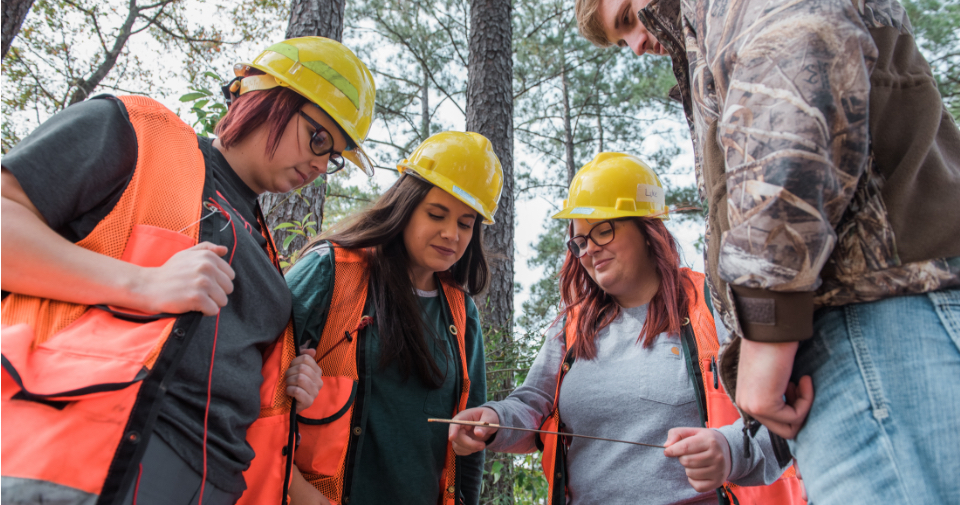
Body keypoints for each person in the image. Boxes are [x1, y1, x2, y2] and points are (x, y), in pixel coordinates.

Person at [574, 0, 960, 504]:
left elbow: (795, 102)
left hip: (871, 319)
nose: (635, 45)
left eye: (630, 16)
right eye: (620, 36)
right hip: (858, 325)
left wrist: (767, 330)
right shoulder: (722, 18)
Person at [1, 36, 378, 505]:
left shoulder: (262, 244)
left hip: (217, 483)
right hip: (83, 457)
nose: (321, 163)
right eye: (318, 137)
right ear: (263, 99)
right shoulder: (137, 133)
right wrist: (141, 284)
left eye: (333, 155)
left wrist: (287, 383)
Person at [448, 152, 804, 505]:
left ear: (648, 228)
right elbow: (531, 408)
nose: (589, 251)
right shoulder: (572, 327)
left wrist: (730, 451)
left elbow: (784, 415)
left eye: (604, 230)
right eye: (580, 242)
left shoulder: (714, 306)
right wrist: (494, 419)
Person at [283, 131, 502, 505]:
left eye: (466, 224)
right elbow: (250, 389)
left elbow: (470, 441)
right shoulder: (330, 271)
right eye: (436, 214)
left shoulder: (461, 313)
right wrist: (301, 494)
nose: (451, 234)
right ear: (405, 206)